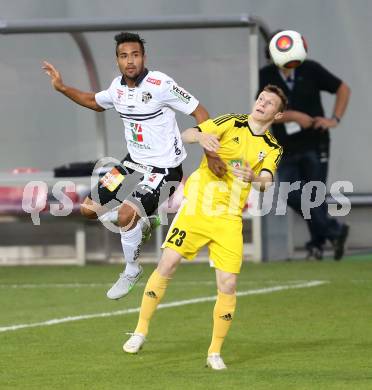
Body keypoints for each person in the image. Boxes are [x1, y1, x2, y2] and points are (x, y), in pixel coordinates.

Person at [123, 85, 287, 370]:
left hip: (228, 219)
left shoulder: (272, 147)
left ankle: (214, 353)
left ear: (278, 113)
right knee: (168, 263)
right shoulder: (230, 122)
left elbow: (266, 181)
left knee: (228, 284)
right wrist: (201, 135)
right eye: (261, 98)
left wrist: (252, 177)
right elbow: (187, 135)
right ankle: (140, 331)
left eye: (270, 102)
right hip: (197, 209)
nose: (262, 103)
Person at [43, 32, 209, 298]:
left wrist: (207, 151)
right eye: (124, 56)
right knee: (88, 209)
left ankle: (132, 269)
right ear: (117, 60)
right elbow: (94, 102)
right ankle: (145, 221)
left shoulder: (161, 84)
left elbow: (200, 112)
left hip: (164, 169)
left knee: (124, 216)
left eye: (135, 55)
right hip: (131, 165)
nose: (130, 61)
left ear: (143, 57)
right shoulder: (117, 88)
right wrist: (62, 88)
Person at [259, 40, 351, 260]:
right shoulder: (267, 75)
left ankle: (316, 246)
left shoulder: (310, 69)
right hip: (286, 146)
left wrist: (334, 119)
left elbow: (342, 89)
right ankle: (334, 230)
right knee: (292, 195)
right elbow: (263, 111)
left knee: (314, 195)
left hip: (315, 142)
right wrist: (294, 116)